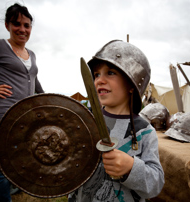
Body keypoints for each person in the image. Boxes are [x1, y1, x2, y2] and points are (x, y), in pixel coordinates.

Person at [68, 40, 164, 202]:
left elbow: (156, 184)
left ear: (132, 83)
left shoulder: (144, 131)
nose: (99, 80)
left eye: (110, 72)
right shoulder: (85, 120)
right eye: (97, 74)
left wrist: (131, 168)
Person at [0, 3, 44, 202]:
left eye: (27, 25)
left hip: (24, 119)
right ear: (7, 25)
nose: (22, 29)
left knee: (19, 163)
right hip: (1, 117)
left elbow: (35, 82)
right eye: (17, 24)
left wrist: (49, 102)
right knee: (3, 167)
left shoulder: (32, 54)